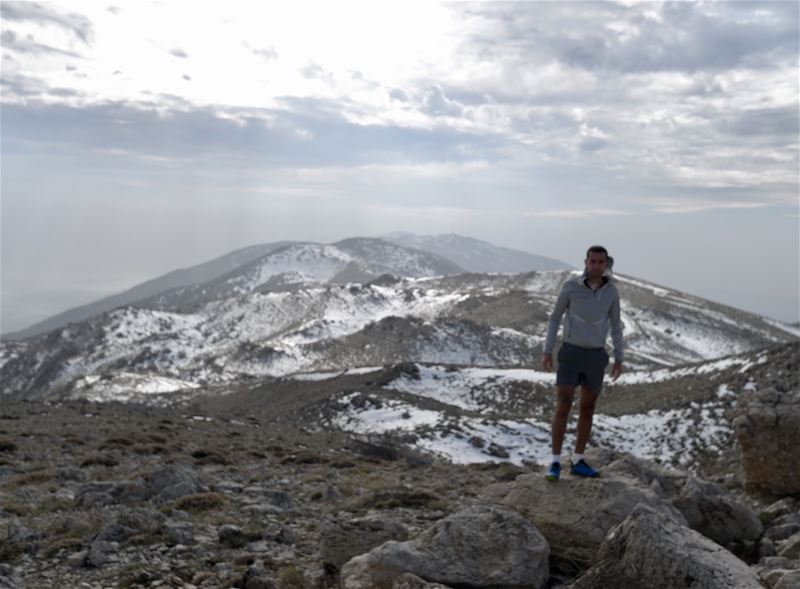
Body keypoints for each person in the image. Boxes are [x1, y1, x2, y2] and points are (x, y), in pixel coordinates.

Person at [541, 245, 623, 481]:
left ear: (606, 264)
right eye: (592, 261)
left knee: (587, 408)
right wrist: (547, 351)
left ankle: (578, 460)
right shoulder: (571, 287)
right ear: (585, 262)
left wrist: (620, 357)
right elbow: (555, 318)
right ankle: (555, 462)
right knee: (563, 404)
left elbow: (616, 326)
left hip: (596, 356)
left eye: (601, 262)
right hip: (570, 353)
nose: (596, 266)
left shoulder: (611, 292)